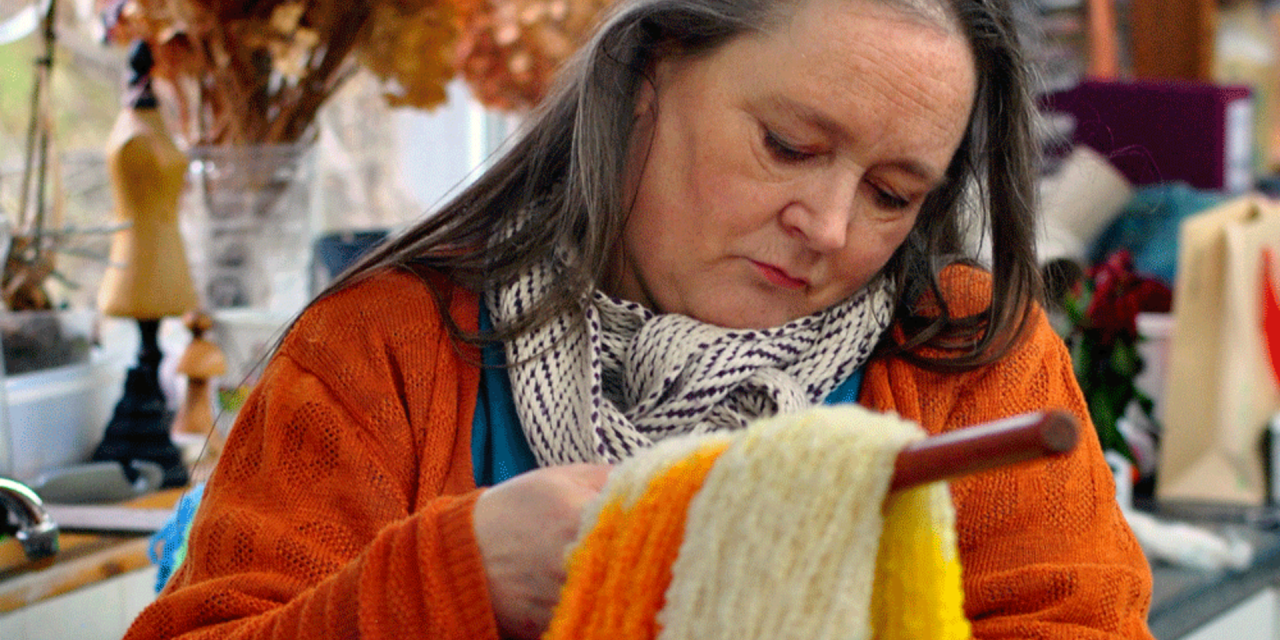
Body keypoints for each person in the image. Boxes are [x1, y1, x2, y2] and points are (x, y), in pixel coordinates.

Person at [124, 0, 1155, 637]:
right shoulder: (378, 350)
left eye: (892, 192)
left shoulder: (969, 357)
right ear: (650, 72)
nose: (829, 224)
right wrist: (456, 577)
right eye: (790, 145)